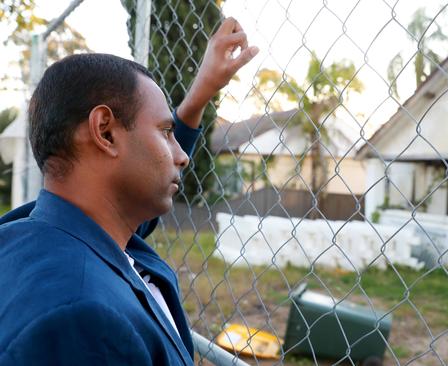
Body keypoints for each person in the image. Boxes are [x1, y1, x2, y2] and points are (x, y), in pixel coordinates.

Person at [0, 17, 258, 365]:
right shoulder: (83, 321)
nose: (181, 156)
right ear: (104, 132)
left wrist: (200, 94)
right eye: (165, 132)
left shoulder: (30, 232)